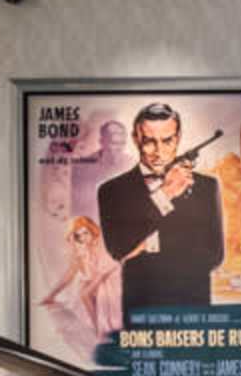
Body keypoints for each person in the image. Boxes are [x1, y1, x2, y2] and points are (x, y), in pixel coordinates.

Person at [90, 102, 225, 313]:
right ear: (135, 139)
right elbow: (119, 249)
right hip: (140, 307)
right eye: (149, 142)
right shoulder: (111, 191)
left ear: (178, 138)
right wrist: (165, 195)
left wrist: (144, 244)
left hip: (193, 307)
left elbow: (214, 255)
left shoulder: (207, 186)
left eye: (167, 140)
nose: (159, 152)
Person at [36, 215, 124, 361]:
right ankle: (98, 330)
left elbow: (106, 269)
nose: (83, 238)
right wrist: (51, 295)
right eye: (79, 235)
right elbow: (68, 276)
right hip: (98, 276)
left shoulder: (100, 244)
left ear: (92, 231)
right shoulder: (80, 250)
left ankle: (100, 331)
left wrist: (91, 285)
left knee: (86, 293)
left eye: (85, 233)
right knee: (82, 289)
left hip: (109, 274)